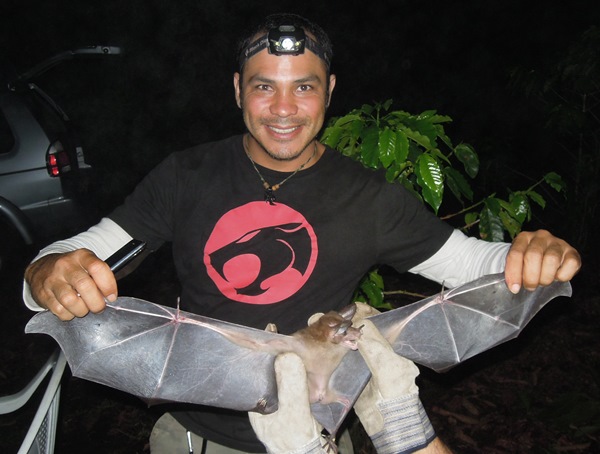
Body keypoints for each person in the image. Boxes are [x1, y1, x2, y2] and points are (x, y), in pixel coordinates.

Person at [23, 12, 580, 454]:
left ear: (330, 91)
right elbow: (74, 261)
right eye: (265, 86)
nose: (284, 109)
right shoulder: (186, 176)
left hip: (316, 434)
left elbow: (470, 265)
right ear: (238, 89)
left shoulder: (367, 196)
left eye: (304, 88)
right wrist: (45, 272)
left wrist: (533, 256)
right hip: (199, 438)